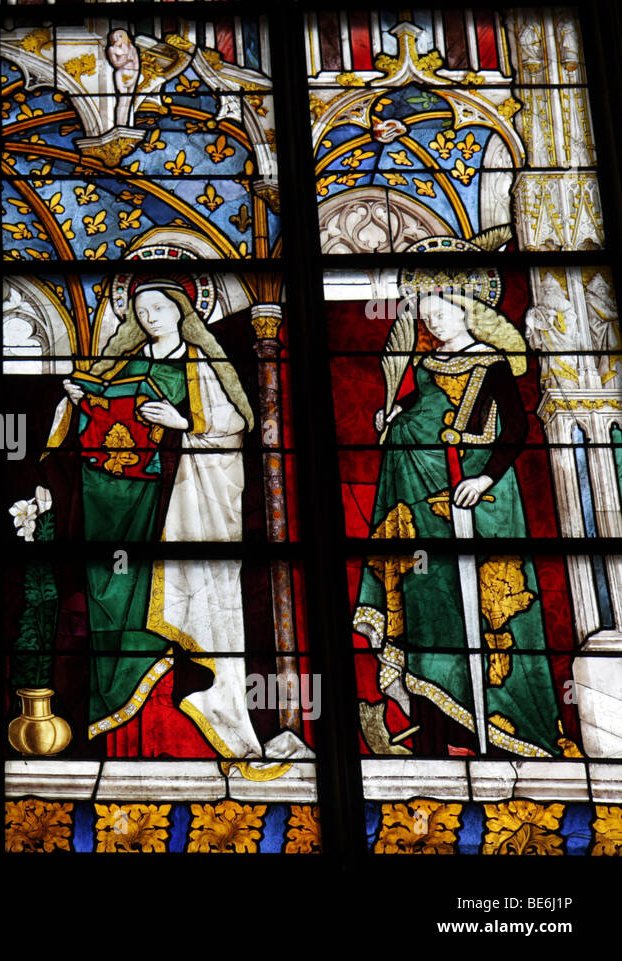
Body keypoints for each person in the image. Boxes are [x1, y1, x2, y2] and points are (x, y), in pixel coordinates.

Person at [48, 276, 309, 771]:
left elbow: (235, 423)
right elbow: (97, 426)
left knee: (188, 597)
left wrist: (184, 422)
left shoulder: (200, 361)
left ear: (179, 311)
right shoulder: (124, 363)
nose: (149, 317)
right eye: (140, 310)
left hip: (183, 502)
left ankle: (210, 710)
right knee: (121, 605)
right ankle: (122, 737)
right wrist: (80, 399)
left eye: (158, 308)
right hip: (128, 504)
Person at [354, 273, 572, 758]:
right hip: (419, 497)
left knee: (488, 607)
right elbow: (425, 407)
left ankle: (506, 729)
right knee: (427, 604)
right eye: (427, 319)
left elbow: (514, 428)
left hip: (478, 496)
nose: (433, 323)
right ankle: (434, 733)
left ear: (466, 313)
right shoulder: (428, 364)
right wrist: (394, 416)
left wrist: (484, 479)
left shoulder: (492, 365)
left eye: (441, 314)